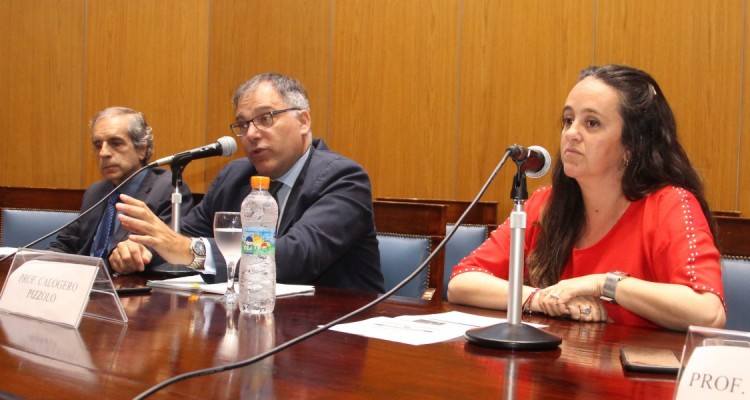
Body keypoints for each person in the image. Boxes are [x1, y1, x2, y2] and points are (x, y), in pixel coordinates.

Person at [447, 64, 726, 330]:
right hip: (556, 368)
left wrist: (603, 284)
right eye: (568, 120)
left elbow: (708, 313)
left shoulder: (670, 204)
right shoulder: (545, 204)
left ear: (631, 145)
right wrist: (540, 299)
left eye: (591, 123)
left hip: (635, 375)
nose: (571, 134)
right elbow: (462, 282)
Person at [110, 73, 384, 293]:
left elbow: (296, 256)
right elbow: (183, 237)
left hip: (331, 337)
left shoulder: (344, 178)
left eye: (265, 118)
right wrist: (142, 251)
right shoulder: (234, 177)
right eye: (243, 124)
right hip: (250, 325)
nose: (251, 134)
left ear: (303, 120)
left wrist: (189, 250)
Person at [47, 107, 194, 269]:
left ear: (141, 149)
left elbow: (169, 248)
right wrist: (37, 264)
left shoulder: (168, 190)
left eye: (115, 143)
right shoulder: (95, 192)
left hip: (131, 287)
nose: (103, 153)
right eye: (98, 145)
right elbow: (66, 244)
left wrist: (138, 253)